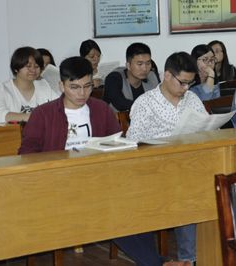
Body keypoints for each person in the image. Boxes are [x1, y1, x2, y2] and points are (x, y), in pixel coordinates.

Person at [18, 57, 168, 265]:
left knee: (136, 202)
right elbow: (26, 155)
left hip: (99, 179)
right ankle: (157, 263)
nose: (82, 93)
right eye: (74, 87)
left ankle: (155, 262)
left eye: (87, 86)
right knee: (110, 210)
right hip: (60, 184)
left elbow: (117, 142)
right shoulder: (43, 114)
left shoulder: (100, 109)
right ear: (61, 86)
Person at [126, 52, 207, 264]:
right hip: (157, 170)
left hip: (192, 163)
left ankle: (212, 253)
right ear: (167, 75)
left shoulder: (192, 99)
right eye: (182, 83)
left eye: (190, 83)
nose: (186, 88)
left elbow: (206, 128)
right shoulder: (146, 103)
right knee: (186, 189)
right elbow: (133, 144)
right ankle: (190, 259)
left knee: (216, 184)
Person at [0, 47, 60, 123]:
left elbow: (60, 108)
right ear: (16, 68)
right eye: (28, 66)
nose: (33, 70)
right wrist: (38, 117)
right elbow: (1, 116)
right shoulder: (2, 88)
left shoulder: (44, 85)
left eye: (36, 66)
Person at [103, 43, 160, 112]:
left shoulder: (152, 77)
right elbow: (120, 103)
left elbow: (161, 101)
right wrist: (147, 106)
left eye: (148, 63)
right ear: (128, 65)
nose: (144, 69)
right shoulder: (114, 78)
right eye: (140, 64)